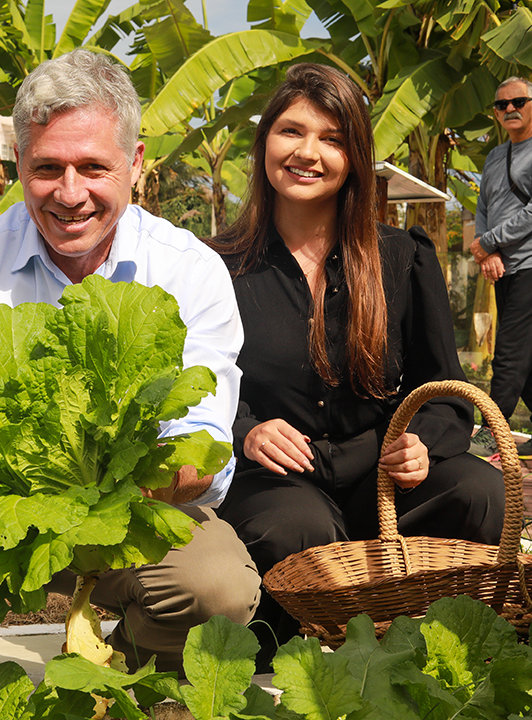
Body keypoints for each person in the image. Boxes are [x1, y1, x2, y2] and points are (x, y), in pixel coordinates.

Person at [0, 49, 260, 695]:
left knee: (215, 586)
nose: (70, 192)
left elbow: (200, 447)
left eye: (94, 167)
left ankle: (126, 688)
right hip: (3, 507)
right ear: (19, 165)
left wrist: (105, 496)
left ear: (135, 165)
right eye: (47, 168)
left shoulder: (189, 268)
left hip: (134, 507)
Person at [206, 63, 505, 667]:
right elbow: (195, 383)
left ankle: (444, 649)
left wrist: (420, 442)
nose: (307, 152)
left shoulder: (401, 258)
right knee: (296, 528)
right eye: (291, 131)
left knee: (479, 488)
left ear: (355, 157)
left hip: (384, 479)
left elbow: (445, 389)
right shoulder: (217, 266)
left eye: (332, 138)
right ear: (266, 141)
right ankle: (290, 662)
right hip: (275, 481)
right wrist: (246, 430)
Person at [468, 77, 532, 458]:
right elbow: (483, 210)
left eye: (519, 102)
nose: (510, 109)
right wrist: (485, 252)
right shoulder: (494, 157)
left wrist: (490, 242)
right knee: (526, 361)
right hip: (503, 269)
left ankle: (491, 434)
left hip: (530, 265)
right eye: (501, 105)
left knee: (508, 354)